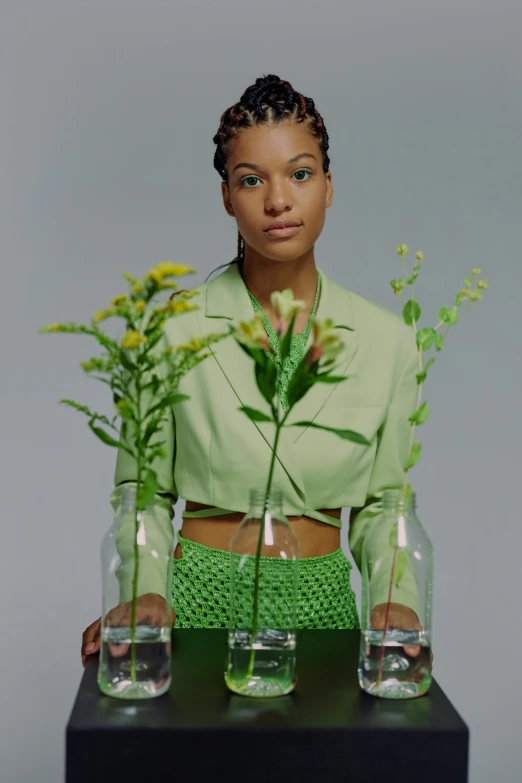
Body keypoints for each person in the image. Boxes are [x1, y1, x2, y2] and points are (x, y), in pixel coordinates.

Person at [81, 74, 434, 667]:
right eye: (252, 180)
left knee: (330, 763)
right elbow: (141, 493)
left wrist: (397, 599)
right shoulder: (171, 329)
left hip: (324, 613)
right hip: (191, 608)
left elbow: (384, 506)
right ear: (226, 196)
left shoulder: (388, 342)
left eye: (300, 174)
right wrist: (143, 590)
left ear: (328, 186)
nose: (278, 200)